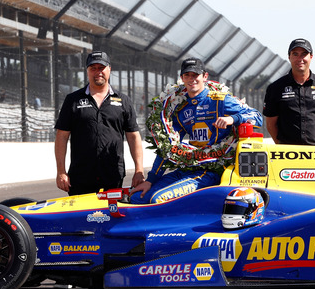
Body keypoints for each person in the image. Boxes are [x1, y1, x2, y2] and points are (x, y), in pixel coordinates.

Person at [130, 58, 263, 204]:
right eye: (187, 75)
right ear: (182, 78)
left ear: (204, 76)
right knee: (138, 197)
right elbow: (168, 147)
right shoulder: (180, 107)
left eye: (195, 75)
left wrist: (233, 119)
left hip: (213, 170)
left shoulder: (220, 100)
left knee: (158, 198)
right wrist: (150, 180)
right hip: (189, 167)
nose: (191, 79)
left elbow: (257, 117)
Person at [54, 51, 145, 196]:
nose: (98, 72)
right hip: (80, 176)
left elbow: (133, 137)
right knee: (81, 217)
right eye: (93, 68)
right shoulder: (72, 100)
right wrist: (61, 172)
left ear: (109, 69)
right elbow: (61, 137)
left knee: (111, 217)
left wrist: (139, 170)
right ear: (87, 71)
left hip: (113, 175)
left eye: (101, 68)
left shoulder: (124, 101)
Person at [263, 38, 315, 146]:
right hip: (288, 154)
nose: (300, 59)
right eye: (295, 54)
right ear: (289, 57)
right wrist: (281, 146)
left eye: (304, 54)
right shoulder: (276, 88)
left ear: (311, 57)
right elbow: (271, 124)